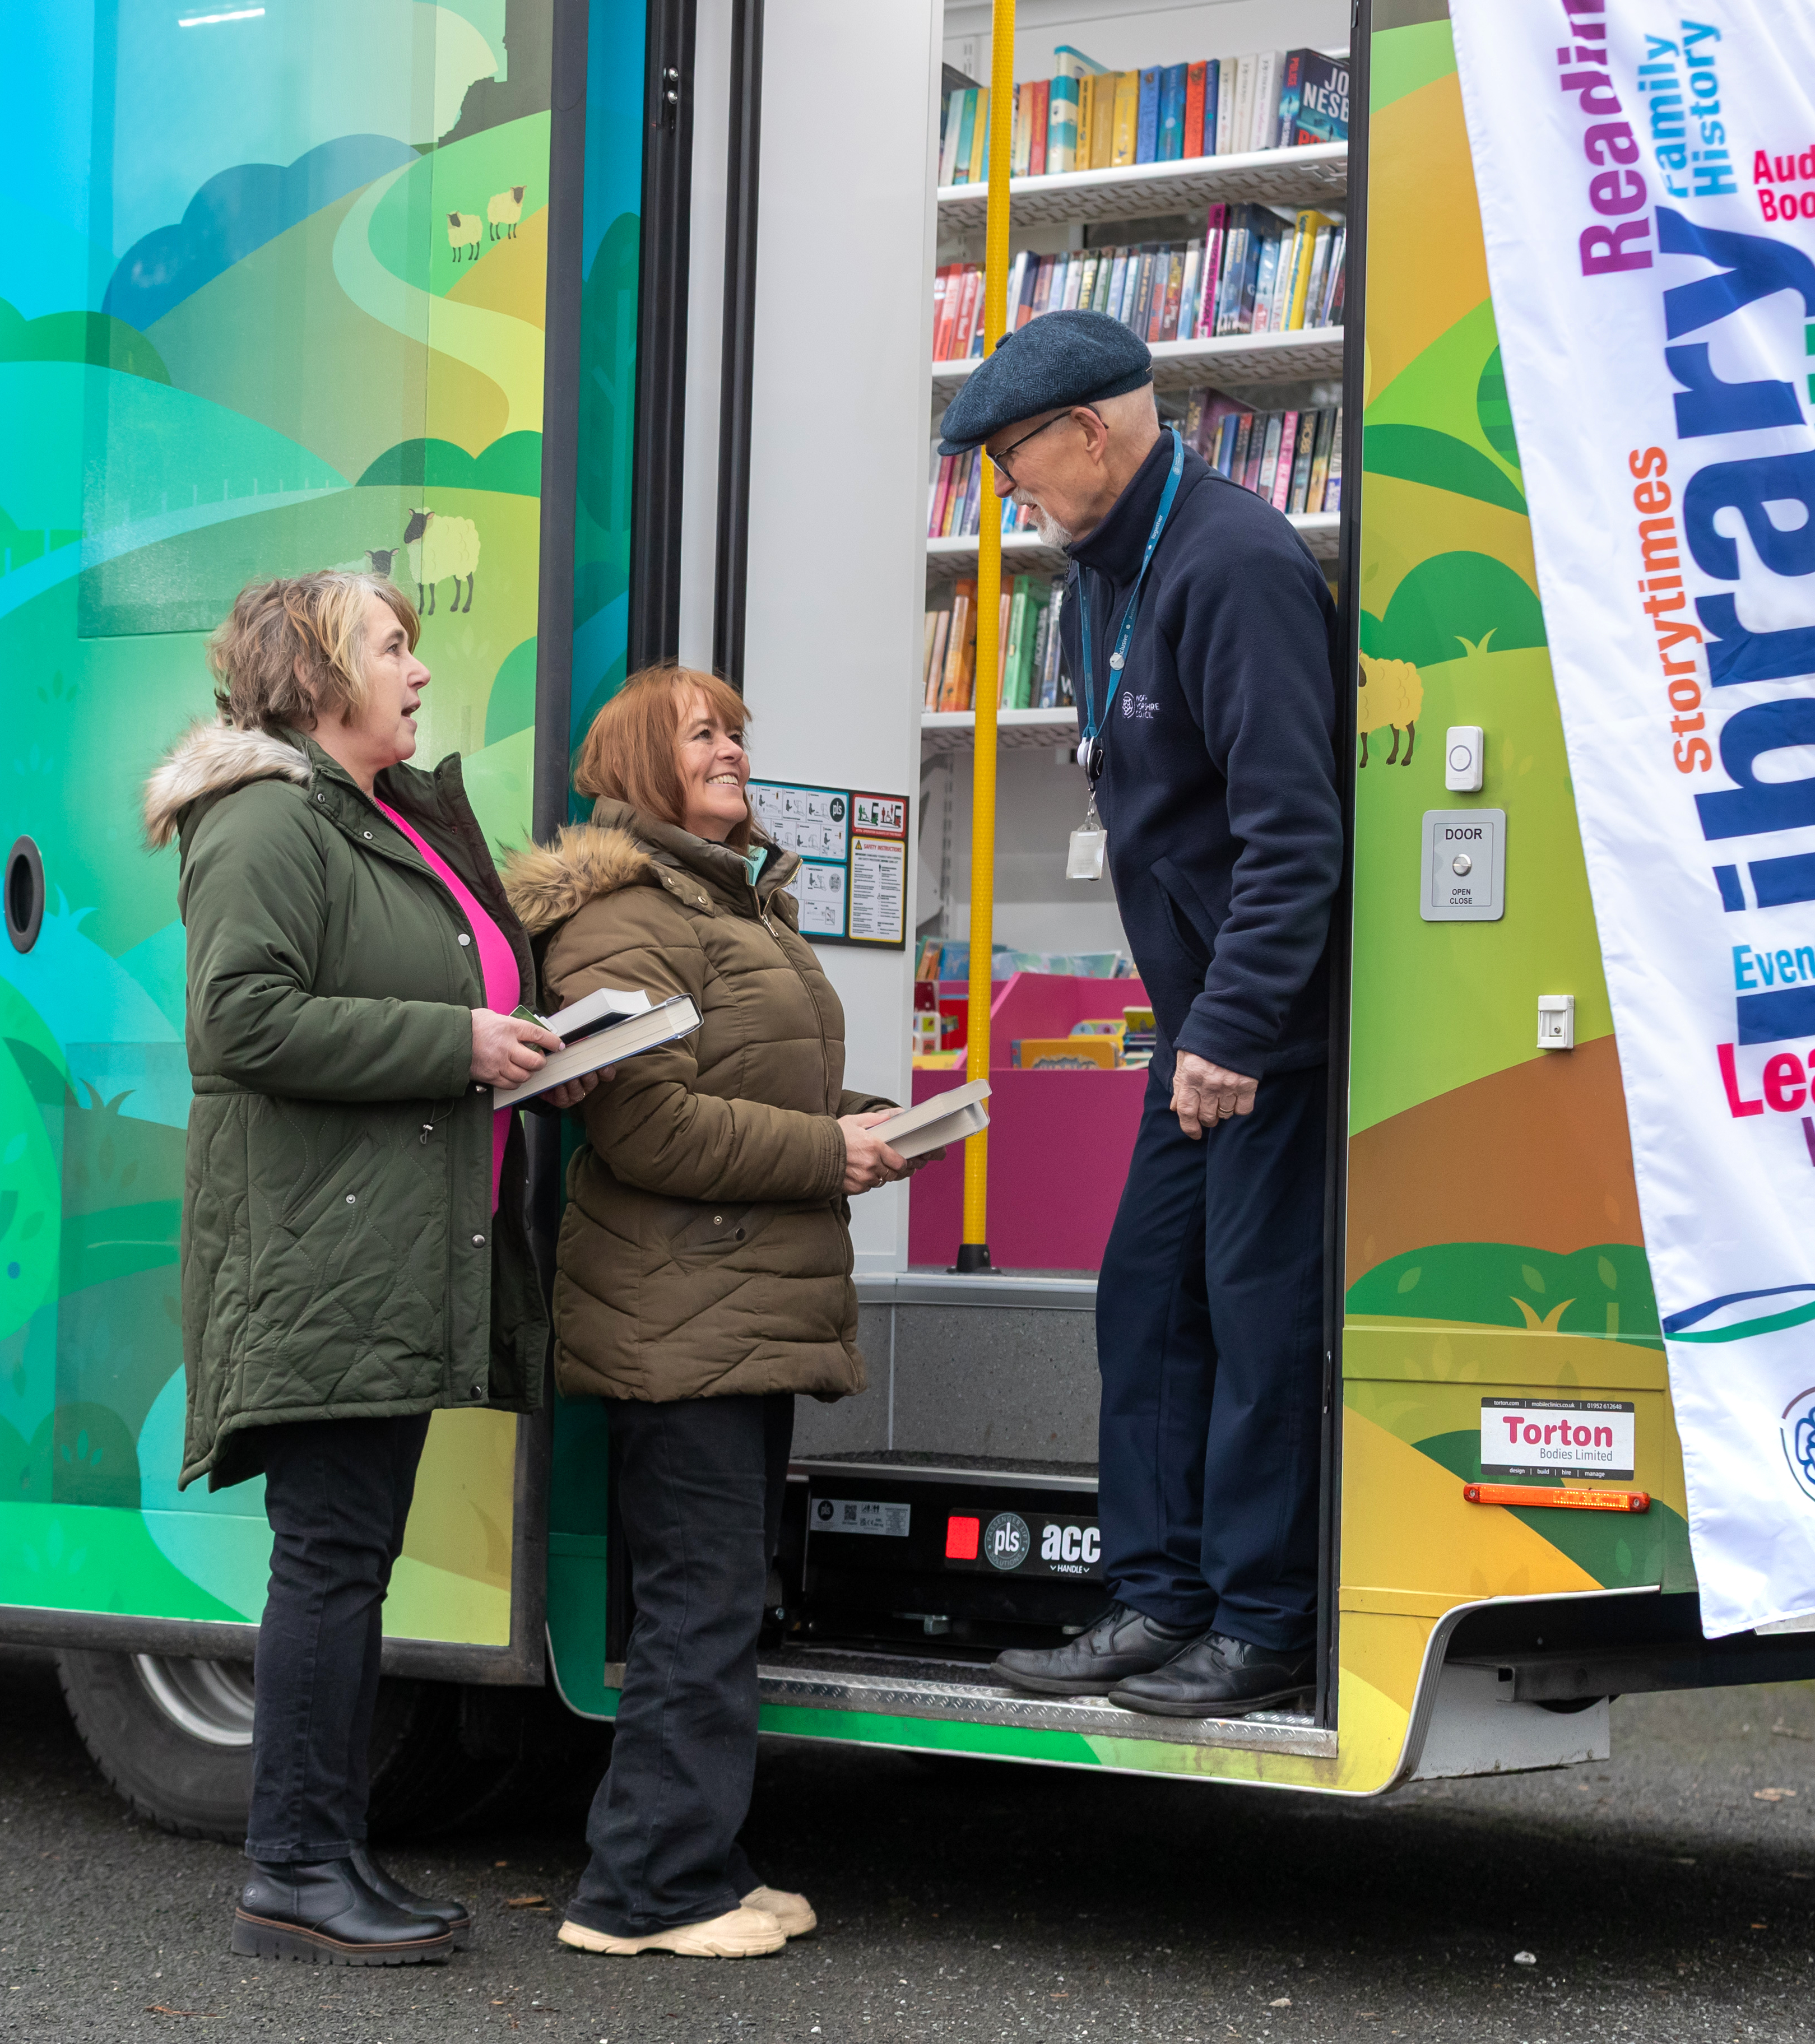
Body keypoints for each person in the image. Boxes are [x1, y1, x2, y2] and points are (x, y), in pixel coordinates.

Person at [141, 570, 560, 1966]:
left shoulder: (372, 816)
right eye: (394, 648)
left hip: (382, 1252)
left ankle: (321, 1858)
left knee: (348, 1561)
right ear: (318, 676)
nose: (420, 674)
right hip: (323, 1255)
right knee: (330, 1564)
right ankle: (296, 1869)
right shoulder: (262, 817)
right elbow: (243, 1025)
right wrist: (457, 1044)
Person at [941, 310, 1345, 1720]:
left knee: (1257, 1313)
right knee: (1146, 1296)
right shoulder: (1092, 587)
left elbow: (1298, 835)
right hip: (1198, 1019)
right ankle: (1160, 1596)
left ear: (1093, 434)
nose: (1012, 492)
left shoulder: (1233, 565)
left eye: (1016, 462)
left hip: (1266, 1027)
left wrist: (1231, 1028)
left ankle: (1264, 1619)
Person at [502, 665, 911, 1959]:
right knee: (699, 1597)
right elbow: (647, 1124)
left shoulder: (733, 903)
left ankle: (706, 1861)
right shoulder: (620, 914)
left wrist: (865, 1132)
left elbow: (749, 1094)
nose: (734, 750)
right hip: (678, 1311)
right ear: (640, 763)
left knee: (721, 1595)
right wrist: (822, 1156)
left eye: (737, 731)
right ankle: (641, 1894)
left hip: (737, 1300)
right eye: (705, 734)